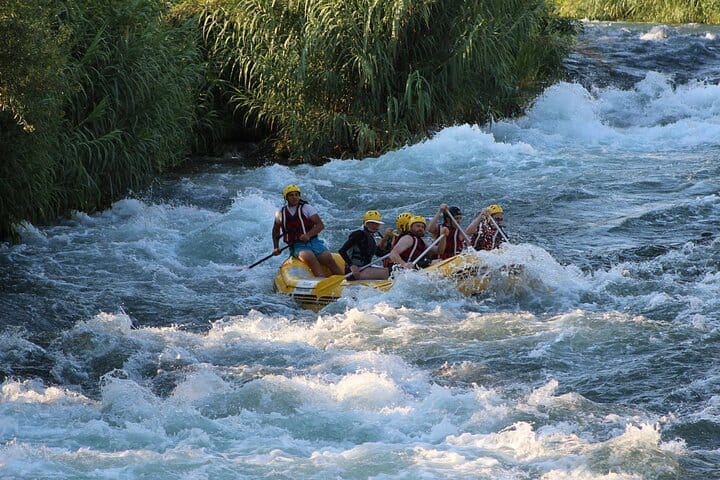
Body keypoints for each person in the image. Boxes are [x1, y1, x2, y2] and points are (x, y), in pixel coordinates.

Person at [272, 184, 343, 277]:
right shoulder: (280, 213)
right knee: (309, 257)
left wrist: (308, 235)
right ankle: (321, 279)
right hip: (297, 245)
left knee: (328, 258)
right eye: (291, 195)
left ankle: (343, 279)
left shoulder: (307, 208)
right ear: (286, 198)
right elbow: (275, 231)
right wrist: (276, 247)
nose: (294, 197)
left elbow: (320, 225)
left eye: (296, 195)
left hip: (314, 242)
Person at [338, 210, 390, 280]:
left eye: (378, 223)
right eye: (373, 223)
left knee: (392, 269)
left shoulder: (371, 237)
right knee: (389, 272)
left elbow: (379, 254)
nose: (376, 225)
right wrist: (351, 265)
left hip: (364, 268)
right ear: (367, 224)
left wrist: (388, 241)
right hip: (354, 272)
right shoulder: (358, 234)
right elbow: (342, 251)